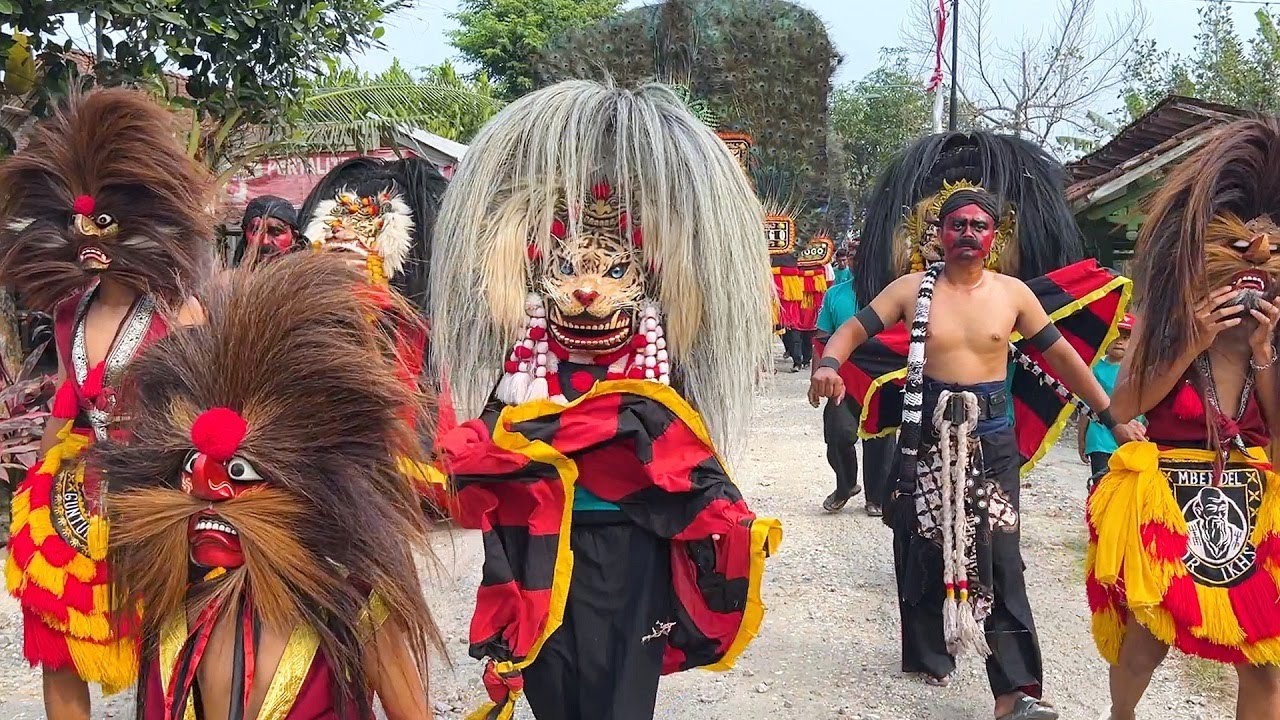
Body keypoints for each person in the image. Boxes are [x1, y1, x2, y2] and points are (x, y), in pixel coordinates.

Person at [429, 80, 782, 720]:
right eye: (567, 269)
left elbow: (689, 465)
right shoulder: (524, 360)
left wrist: (730, 526)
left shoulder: (660, 358)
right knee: (551, 685)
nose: (587, 290)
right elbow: (487, 443)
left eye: (613, 272)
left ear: (645, 277)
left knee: (621, 693)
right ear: (539, 272)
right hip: (537, 541)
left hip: (629, 542)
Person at [811, 187, 1142, 720]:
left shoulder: (1013, 295)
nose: (967, 234)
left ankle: (1015, 691)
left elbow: (1061, 356)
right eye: (957, 224)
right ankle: (928, 653)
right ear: (938, 233)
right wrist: (829, 362)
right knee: (921, 538)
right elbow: (853, 328)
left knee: (1002, 557)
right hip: (926, 432)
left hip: (991, 439)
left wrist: (1112, 417)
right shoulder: (910, 289)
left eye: (978, 226)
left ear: (994, 236)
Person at [92, 253, 441, 719]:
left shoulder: (355, 608)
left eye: (240, 475)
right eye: (191, 467)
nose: (208, 495)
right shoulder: (176, 618)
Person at [0, 88, 212, 719]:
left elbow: (201, 408)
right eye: (77, 226)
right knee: (55, 639)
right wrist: (31, 487)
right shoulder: (69, 311)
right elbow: (68, 397)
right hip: (75, 487)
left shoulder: (179, 313)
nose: (87, 239)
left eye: (103, 226)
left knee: (169, 640)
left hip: (158, 486)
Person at [1087, 119, 1280, 720]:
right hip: (1170, 500)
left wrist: (1264, 353)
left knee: (1268, 657)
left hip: (1250, 502)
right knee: (1149, 640)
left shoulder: (1274, 339)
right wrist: (1193, 340)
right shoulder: (1167, 320)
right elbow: (1123, 408)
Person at [814, 273, 897, 516]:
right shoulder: (835, 294)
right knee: (838, 433)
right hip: (843, 380)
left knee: (880, 439)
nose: (854, 256)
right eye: (850, 251)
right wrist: (817, 375)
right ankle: (845, 485)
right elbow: (821, 338)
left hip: (883, 379)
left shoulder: (893, 291)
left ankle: (877, 497)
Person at [1077, 314, 1140, 487]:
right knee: (1101, 485)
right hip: (1099, 438)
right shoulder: (1094, 368)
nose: (1119, 341)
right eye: (1115, 335)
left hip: (1131, 439)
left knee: (1124, 487)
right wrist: (1081, 437)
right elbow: (1085, 405)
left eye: (1126, 337)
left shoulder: (1138, 371)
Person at [233, 194, 299, 266]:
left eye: (276, 232)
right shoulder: (229, 276)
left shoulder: (310, 276)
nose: (265, 241)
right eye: (256, 231)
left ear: (294, 237)